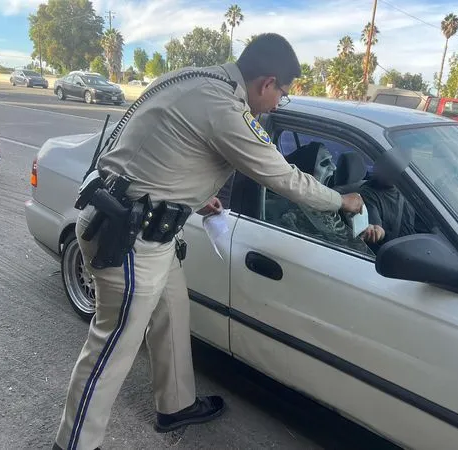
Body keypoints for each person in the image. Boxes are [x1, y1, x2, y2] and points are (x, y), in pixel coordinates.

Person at [52, 33, 363, 450]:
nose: (277, 105)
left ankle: (175, 406)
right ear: (266, 82)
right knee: (109, 352)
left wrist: (194, 198)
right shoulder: (225, 108)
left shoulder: (197, 77)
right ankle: (73, 444)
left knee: (173, 311)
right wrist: (341, 201)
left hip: (144, 228)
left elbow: (164, 148)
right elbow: (285, 178)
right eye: (282, 95)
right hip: (127, 240)